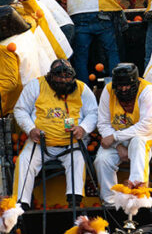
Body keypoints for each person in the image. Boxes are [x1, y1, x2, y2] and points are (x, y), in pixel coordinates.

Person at [13, 59, 97, 208]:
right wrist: (30, 129)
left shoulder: (82, 88)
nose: (63, 80)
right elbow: (20, 110)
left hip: (71, 144)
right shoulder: (36, 85)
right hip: (40, 143)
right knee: (24, 160)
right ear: (51, 75)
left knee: (77, 159)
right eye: (59, 76)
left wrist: (83, 128)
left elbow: (93, 113)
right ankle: (21, 206)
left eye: (67, 76)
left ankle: (74, 202)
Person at [95, 63, 152, 206]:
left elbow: (146, 126)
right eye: (119, 86)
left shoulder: (148, 91)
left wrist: (115, 137)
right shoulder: (108, 91)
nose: (123, 89)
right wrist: (118, 145)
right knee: (102, 159)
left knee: (138, 143)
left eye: (127, 85)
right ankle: (111, 204)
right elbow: (103, 123)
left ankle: (138, 194)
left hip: (148, 136)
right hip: (118, 139)